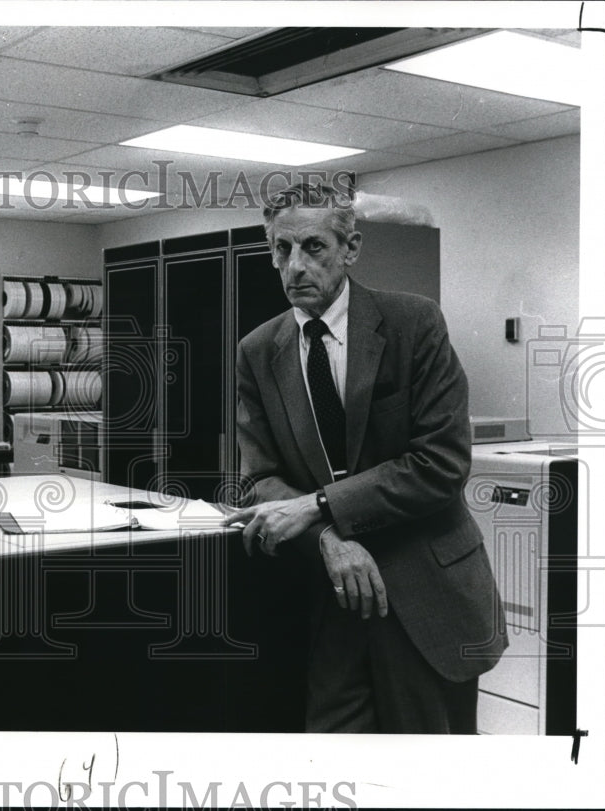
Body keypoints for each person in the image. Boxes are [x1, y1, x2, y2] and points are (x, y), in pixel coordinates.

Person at [222, 181, 507, 734]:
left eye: (313, 247)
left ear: (350, 248)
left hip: (425, 593)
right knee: (333, 762)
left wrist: (320, 505)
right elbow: (260, 479)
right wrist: (328, 537)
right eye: (281, 250)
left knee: (426, 773)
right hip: (331, 600)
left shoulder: (413, 325)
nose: (294, 267)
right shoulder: (258, 350)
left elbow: (441, 464)